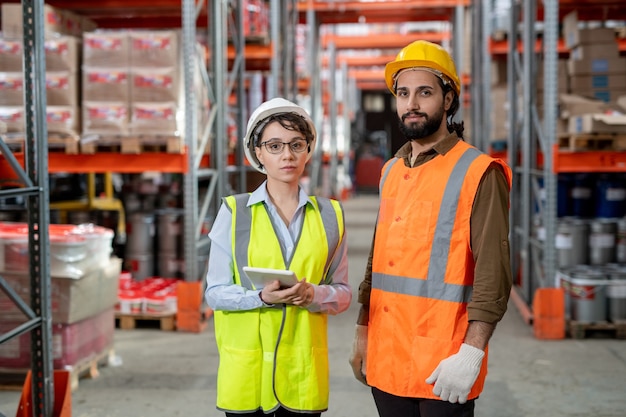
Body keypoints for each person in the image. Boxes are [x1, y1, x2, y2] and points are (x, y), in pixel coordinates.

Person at [348, 40, 513, 417]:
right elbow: (378, 260)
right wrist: (362, 332)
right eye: (403, 93)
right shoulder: (391, 170)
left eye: (425, 92)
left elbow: (494, 271)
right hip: (387, 355)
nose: (412, 104)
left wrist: (471, 353)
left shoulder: (478, 171)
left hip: (443, 361)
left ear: (448, 98)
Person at [205, 97, 352, 417]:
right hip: (247, 372)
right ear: (258, 152)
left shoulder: (331, 215)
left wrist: (315, 293)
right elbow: (214, 293)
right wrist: (261, 297)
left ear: (308, 150)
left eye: (296, 144)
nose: (287, 155)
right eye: (274, 146)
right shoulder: (234, 213)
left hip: (302, 373)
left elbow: (342, 295)